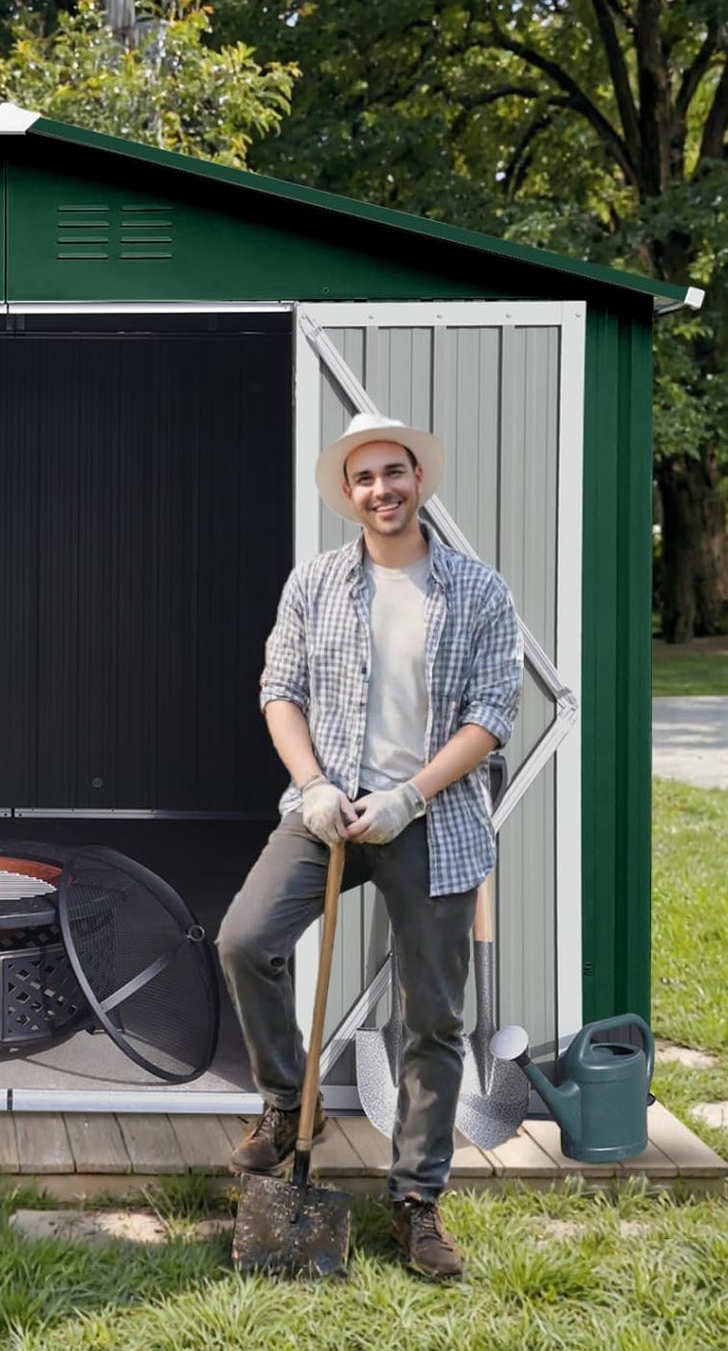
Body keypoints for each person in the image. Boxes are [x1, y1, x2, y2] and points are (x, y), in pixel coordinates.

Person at [216, 411, 522, 1279]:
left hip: (431, 818)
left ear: (417, 479)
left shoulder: (477, 590)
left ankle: (414, 1199)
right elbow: (279, 690)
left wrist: (408, 794)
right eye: (363, 478)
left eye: (393, 472)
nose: (380, 489)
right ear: (347, 494)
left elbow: (491, 714)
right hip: (327, 809)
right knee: (244, 939)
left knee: (433, 1018)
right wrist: (313, 783)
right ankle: (289, 1104)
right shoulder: (314, 582)